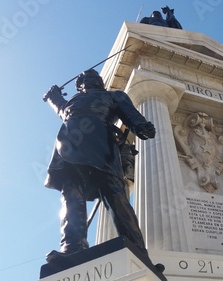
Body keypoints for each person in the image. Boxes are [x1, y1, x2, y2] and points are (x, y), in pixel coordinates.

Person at [42, 69, 156, 266]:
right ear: (81, 85)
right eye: (86, 77)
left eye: (95, 76)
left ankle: (137, 251)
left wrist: (141, 126)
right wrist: (54, 96)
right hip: (68, 148)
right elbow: (62, 111)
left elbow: (130, 115)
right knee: (71, 196)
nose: (92, 77)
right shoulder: (73, 102)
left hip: (101, 147)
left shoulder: (113, 96)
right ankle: (72, 248)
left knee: (115, 197)